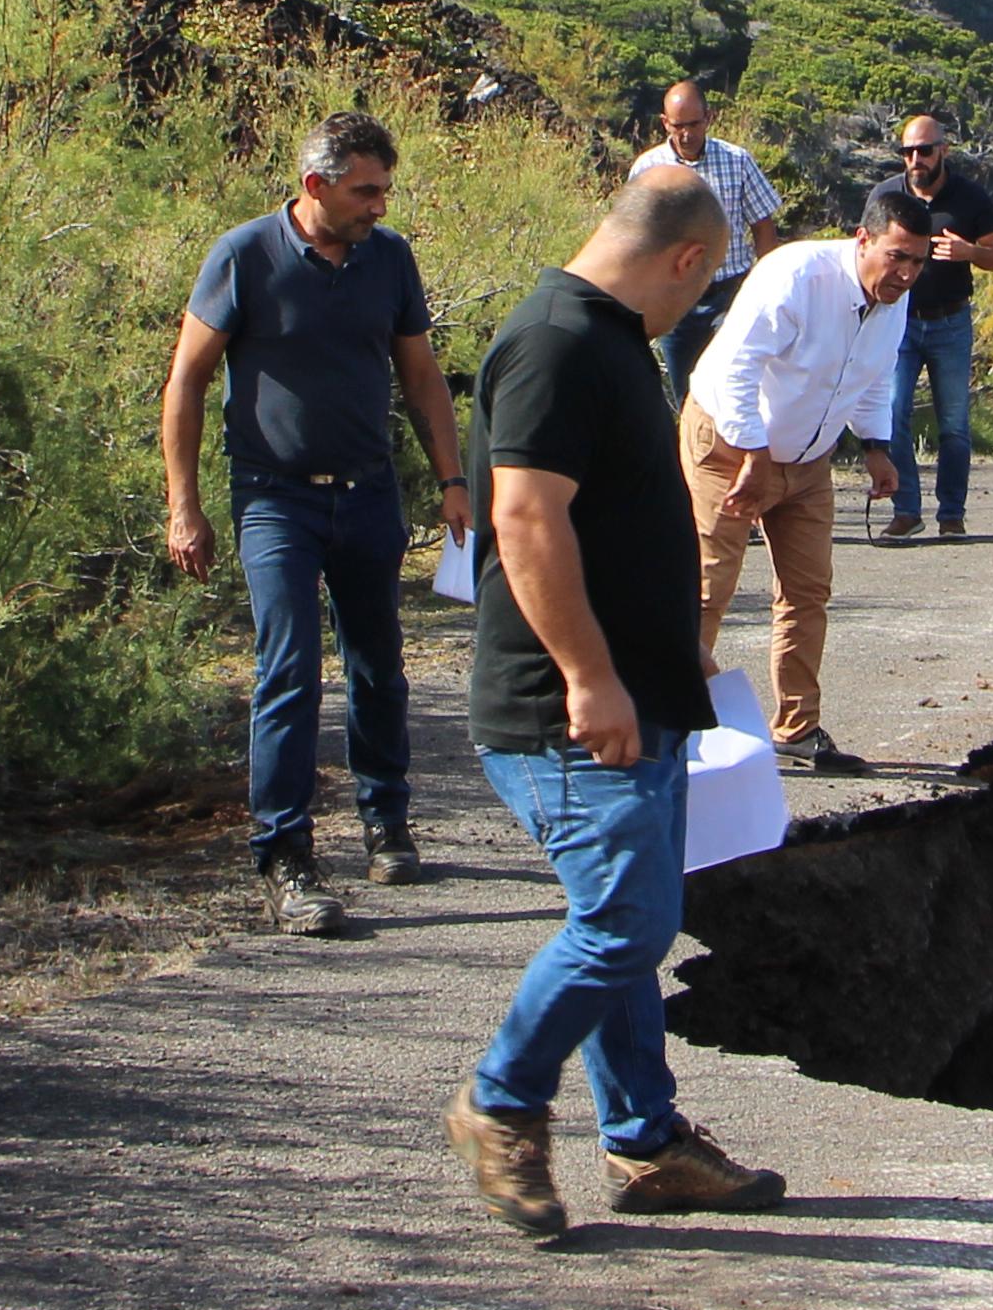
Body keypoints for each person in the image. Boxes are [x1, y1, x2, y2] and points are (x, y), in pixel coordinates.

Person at [444, 171, 789, 1241]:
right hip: (567, 707)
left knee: (631, 921)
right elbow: (525, 521)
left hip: (636, 696)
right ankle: (500, 1104)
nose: (701, 304)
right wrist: (592, 679)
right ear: (688, 259)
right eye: (707, 283)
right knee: (626, 921)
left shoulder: (600, 338)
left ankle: (645, 1141)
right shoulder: (556, 342)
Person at [162, 112, 469, 938]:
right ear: (317, 186)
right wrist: (183, 505)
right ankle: (286, 858)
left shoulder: (390, 257)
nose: (379, 204)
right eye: (366, 190)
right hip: (275, 498)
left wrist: (451, 479)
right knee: (289, 669)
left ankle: (385, 821)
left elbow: (421, 377)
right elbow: (187, 382)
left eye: (384, 190)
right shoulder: (245, 256)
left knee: (378, 664)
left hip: (368, 492)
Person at [683, 188, 934, 776]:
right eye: (897, 256)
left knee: (806, 591)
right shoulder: (795, 275)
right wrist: (754, 454)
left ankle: (796, 729)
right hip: (729, 444)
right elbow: (737, 370)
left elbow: (873, 377)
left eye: (918, 262)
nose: (905, 273)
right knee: (705, 589)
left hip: (808, 458)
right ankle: (677, 726)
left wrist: (876, 447)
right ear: (863, 239)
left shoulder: (893, 299)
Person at [875, 111, 993, 542]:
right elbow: (866, 248)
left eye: (925, 150)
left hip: (950, 321)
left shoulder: (969, 198)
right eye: (908, 152)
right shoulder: (886, 196)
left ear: (943, 151)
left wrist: (969, 251)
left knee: (953, 424)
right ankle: (906, 510)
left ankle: (951, 514)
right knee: (892, 414)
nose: (916, 159)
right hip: (898, 323)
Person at [628, 80, 788, 405]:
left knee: (733, 386)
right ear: (664, 123)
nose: (686, 134)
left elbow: (763, 226)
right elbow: (635, 236)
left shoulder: (737, 160)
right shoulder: (647, 168)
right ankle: (690, 455)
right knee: (685, 395)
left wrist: (767, 285)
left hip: (727, 293)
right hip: (674, 296)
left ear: (708, 118)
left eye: (693, 124)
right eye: (677, 126)